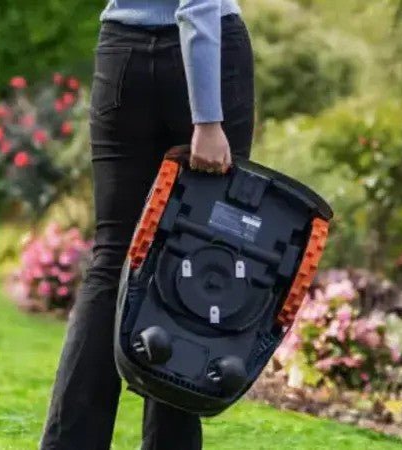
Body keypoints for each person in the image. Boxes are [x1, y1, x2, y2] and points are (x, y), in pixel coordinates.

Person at [39, 1, 254, 449]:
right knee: (192, 259)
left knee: (112, 259)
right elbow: (196, 5)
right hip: (204, 59)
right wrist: (207, 119)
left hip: (122, 53)